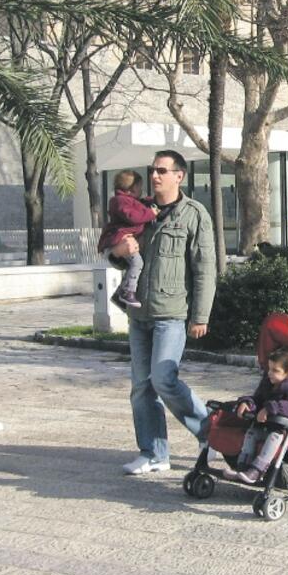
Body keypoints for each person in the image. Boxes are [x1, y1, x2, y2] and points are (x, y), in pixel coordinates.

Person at [111, 150, 217, 476]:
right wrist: (117, 251)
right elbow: (119, 253)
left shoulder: (194, 214)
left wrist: (200, 316)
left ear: (179, 176)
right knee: (141, 387)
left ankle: (211, 434)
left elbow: (204, 269)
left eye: (162, 170)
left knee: (163, 379)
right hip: (139, 314)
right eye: (153, 170)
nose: (155, 176)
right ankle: (154, 453)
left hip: (172, 313)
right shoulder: (139, 211)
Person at [224, 348, 288, 484]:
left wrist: (270, 408)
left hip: (284, 430)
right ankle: (243, 467)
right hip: (266, 425)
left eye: (275, 370)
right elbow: (258, 398)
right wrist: (247, 403)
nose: (270, 373)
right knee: (251, 433)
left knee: (274, 437)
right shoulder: (269, 382)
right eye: (269, 369)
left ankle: (257, 470)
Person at [97, 170, 158, 309]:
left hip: (122, 240)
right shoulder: (119, 201)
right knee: (137, 263)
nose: (141, 191)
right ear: (132, 188)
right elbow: (133, 216)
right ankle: (128, 292)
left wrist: (150, 202)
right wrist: (151, 213)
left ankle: (120, 293)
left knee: (133, 266)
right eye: (139, 187)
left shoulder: (127, 200)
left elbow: (139, 205)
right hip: (119, 239)